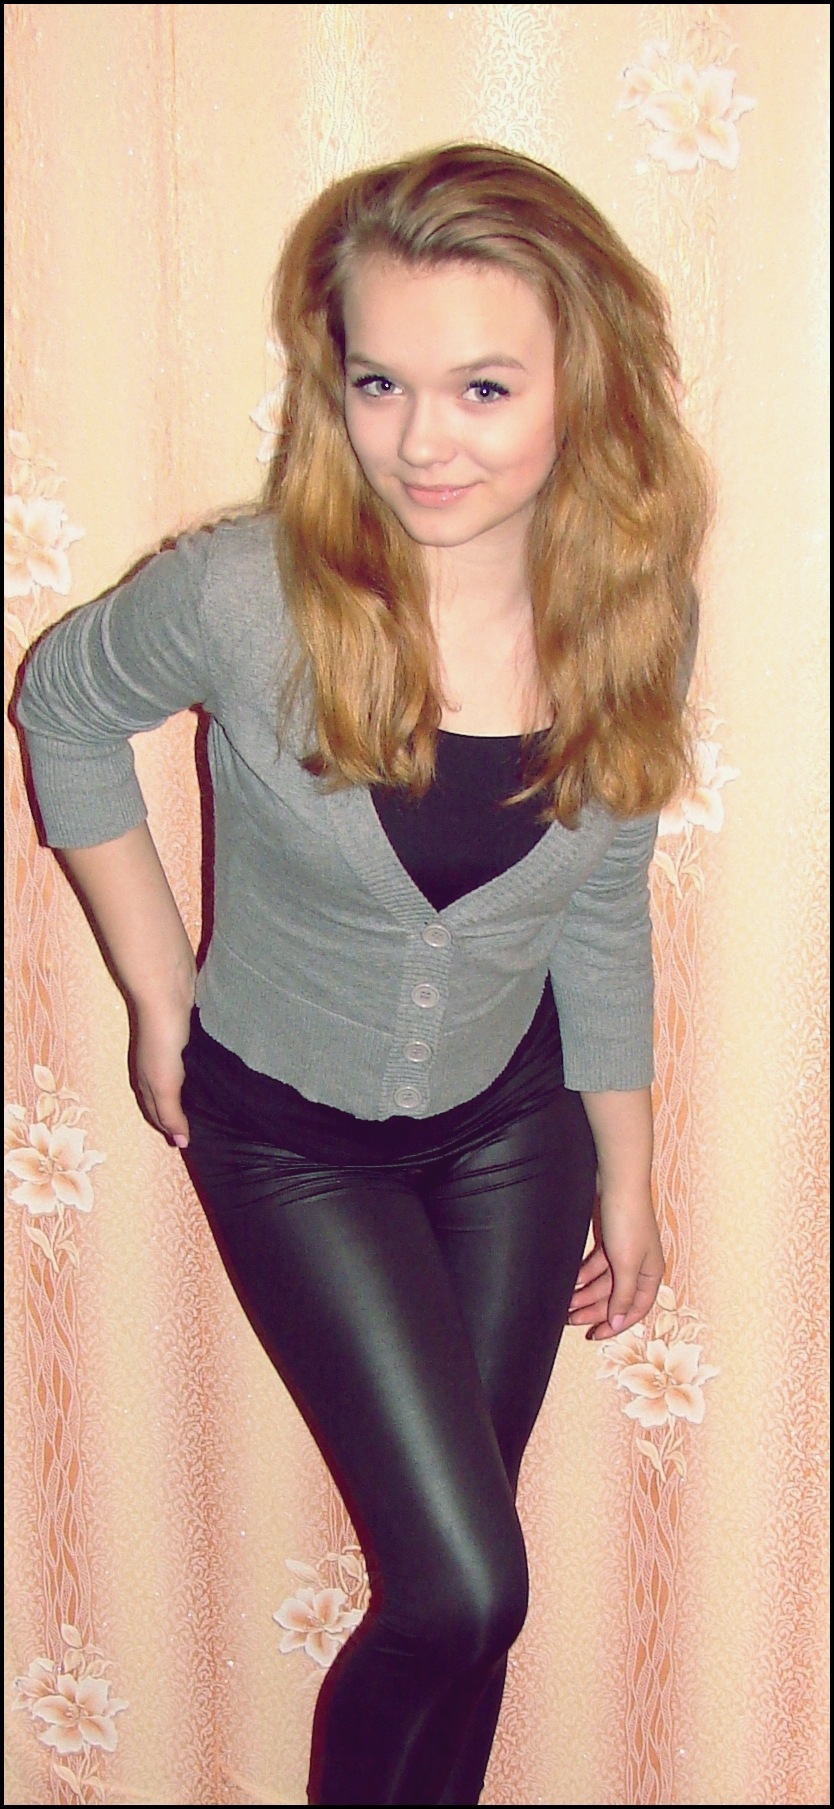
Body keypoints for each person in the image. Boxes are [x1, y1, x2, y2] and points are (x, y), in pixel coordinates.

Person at [16, 142, 711, 1806]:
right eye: (380, 382)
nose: (419, 440)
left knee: (470, 1601)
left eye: (482, 386)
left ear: (584, 382)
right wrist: (158, 991)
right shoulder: (247, 595)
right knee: (463, 1585)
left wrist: (626, 1166)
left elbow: (601, 899)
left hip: (511, 1137)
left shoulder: (634, 612)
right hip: (291, 1143)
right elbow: (63, 705)